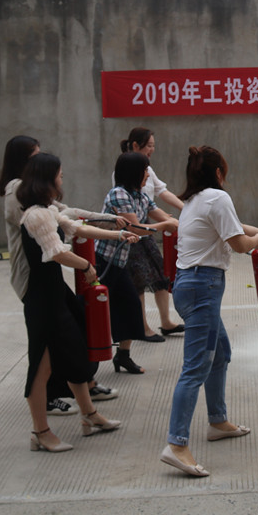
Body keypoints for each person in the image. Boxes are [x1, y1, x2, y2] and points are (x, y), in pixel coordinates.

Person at [160, 146, 258, 477]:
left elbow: (234, 226)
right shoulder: (217, 197)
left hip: (189, 284)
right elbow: (239, 244)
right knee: (195, 368)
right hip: (203, 287)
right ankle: (176, 445)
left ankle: (217, 422)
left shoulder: (196, 200)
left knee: (220, 354)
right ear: (218, 173)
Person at [0, 135, 127, 413]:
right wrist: (85, 265)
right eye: (35, 156)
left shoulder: (39, 203)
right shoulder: (21, 194)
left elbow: (69, 219)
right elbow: (54, 246)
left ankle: (84, 395)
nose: (60, 177)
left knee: (73, 332)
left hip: (48, 278)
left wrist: (112, 225)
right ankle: (49, 405)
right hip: (34, 279)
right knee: (46, 347)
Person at [18, 153, 134, 452]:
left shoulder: (46, 210)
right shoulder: (35, 215)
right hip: (42, 301)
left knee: (74, 352)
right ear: (47, 179)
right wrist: (85, 265)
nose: (61, 180)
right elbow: (56, 252)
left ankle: (89, 416)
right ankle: (40, 433)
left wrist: (118, 234)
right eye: (59, 175)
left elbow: (77, 228)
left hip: (56, 294)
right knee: (42, 367)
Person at [96, 152, 179, 371]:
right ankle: (89, 363)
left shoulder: (140, 196)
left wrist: (183, 223)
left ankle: (123, 356)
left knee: (131, 305)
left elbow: (160, 215)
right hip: (105, 261)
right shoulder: (119, 194)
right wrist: (165, 226)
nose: (147, 176)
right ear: (134, 172)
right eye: (145, 171)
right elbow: (136, 228)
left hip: (120, 261)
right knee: (97, 310)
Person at [119, 127, 185, 338]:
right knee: (138, 280)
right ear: (135, 145)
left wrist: (186, 212)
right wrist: (166, 223)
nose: (152, 150)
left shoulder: (146, 170)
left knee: (160, 273)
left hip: (146, 228)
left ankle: (166, 321)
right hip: (131, 233)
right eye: (149, 145)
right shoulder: (123, 181)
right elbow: (133, 223)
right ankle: (142, 328)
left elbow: (155, 200)